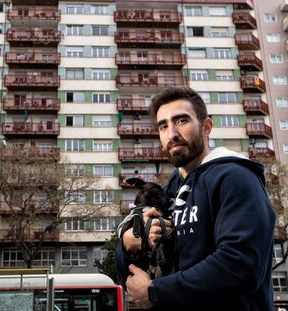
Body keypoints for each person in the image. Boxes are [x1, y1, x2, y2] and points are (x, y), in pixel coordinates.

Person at [115, 86, 276, 310]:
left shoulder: (236, 177)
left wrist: (156, 291)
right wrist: (130, 244)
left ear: (206, 126)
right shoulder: (168, 191)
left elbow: (241, 265)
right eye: (163, 126)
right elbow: (131, 276)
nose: (172, 134)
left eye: (181, 121)